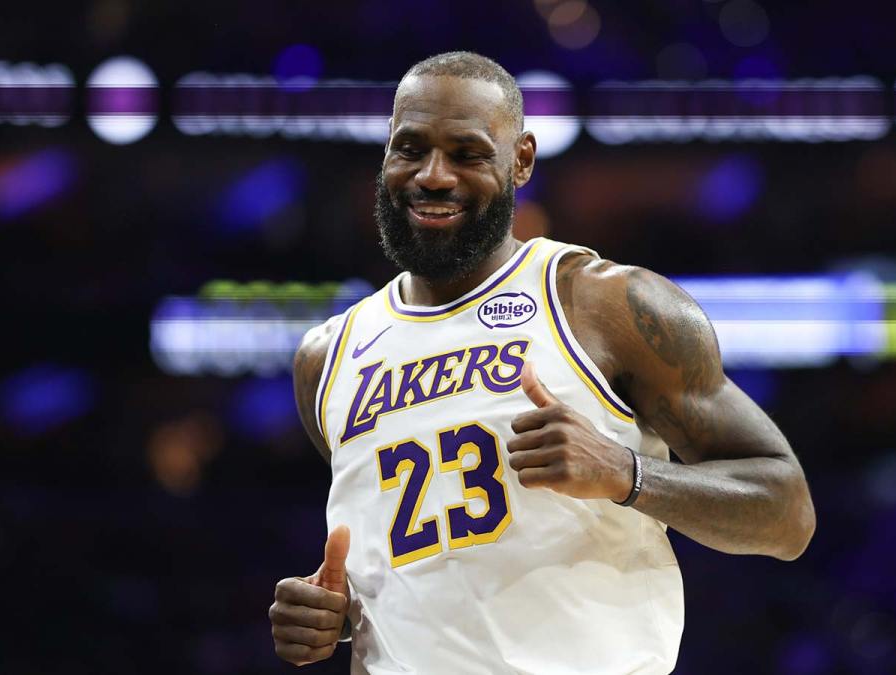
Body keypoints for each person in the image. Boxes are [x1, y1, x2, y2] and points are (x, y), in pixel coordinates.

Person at [269, 51, 816, 674]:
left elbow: (787, 512)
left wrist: (627, 473)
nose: (433, 175)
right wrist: (331, 615)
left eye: (467, 154)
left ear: (521, 160)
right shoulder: (328, 356)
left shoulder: (605, 304)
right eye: (411, 149)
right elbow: (419, 560)